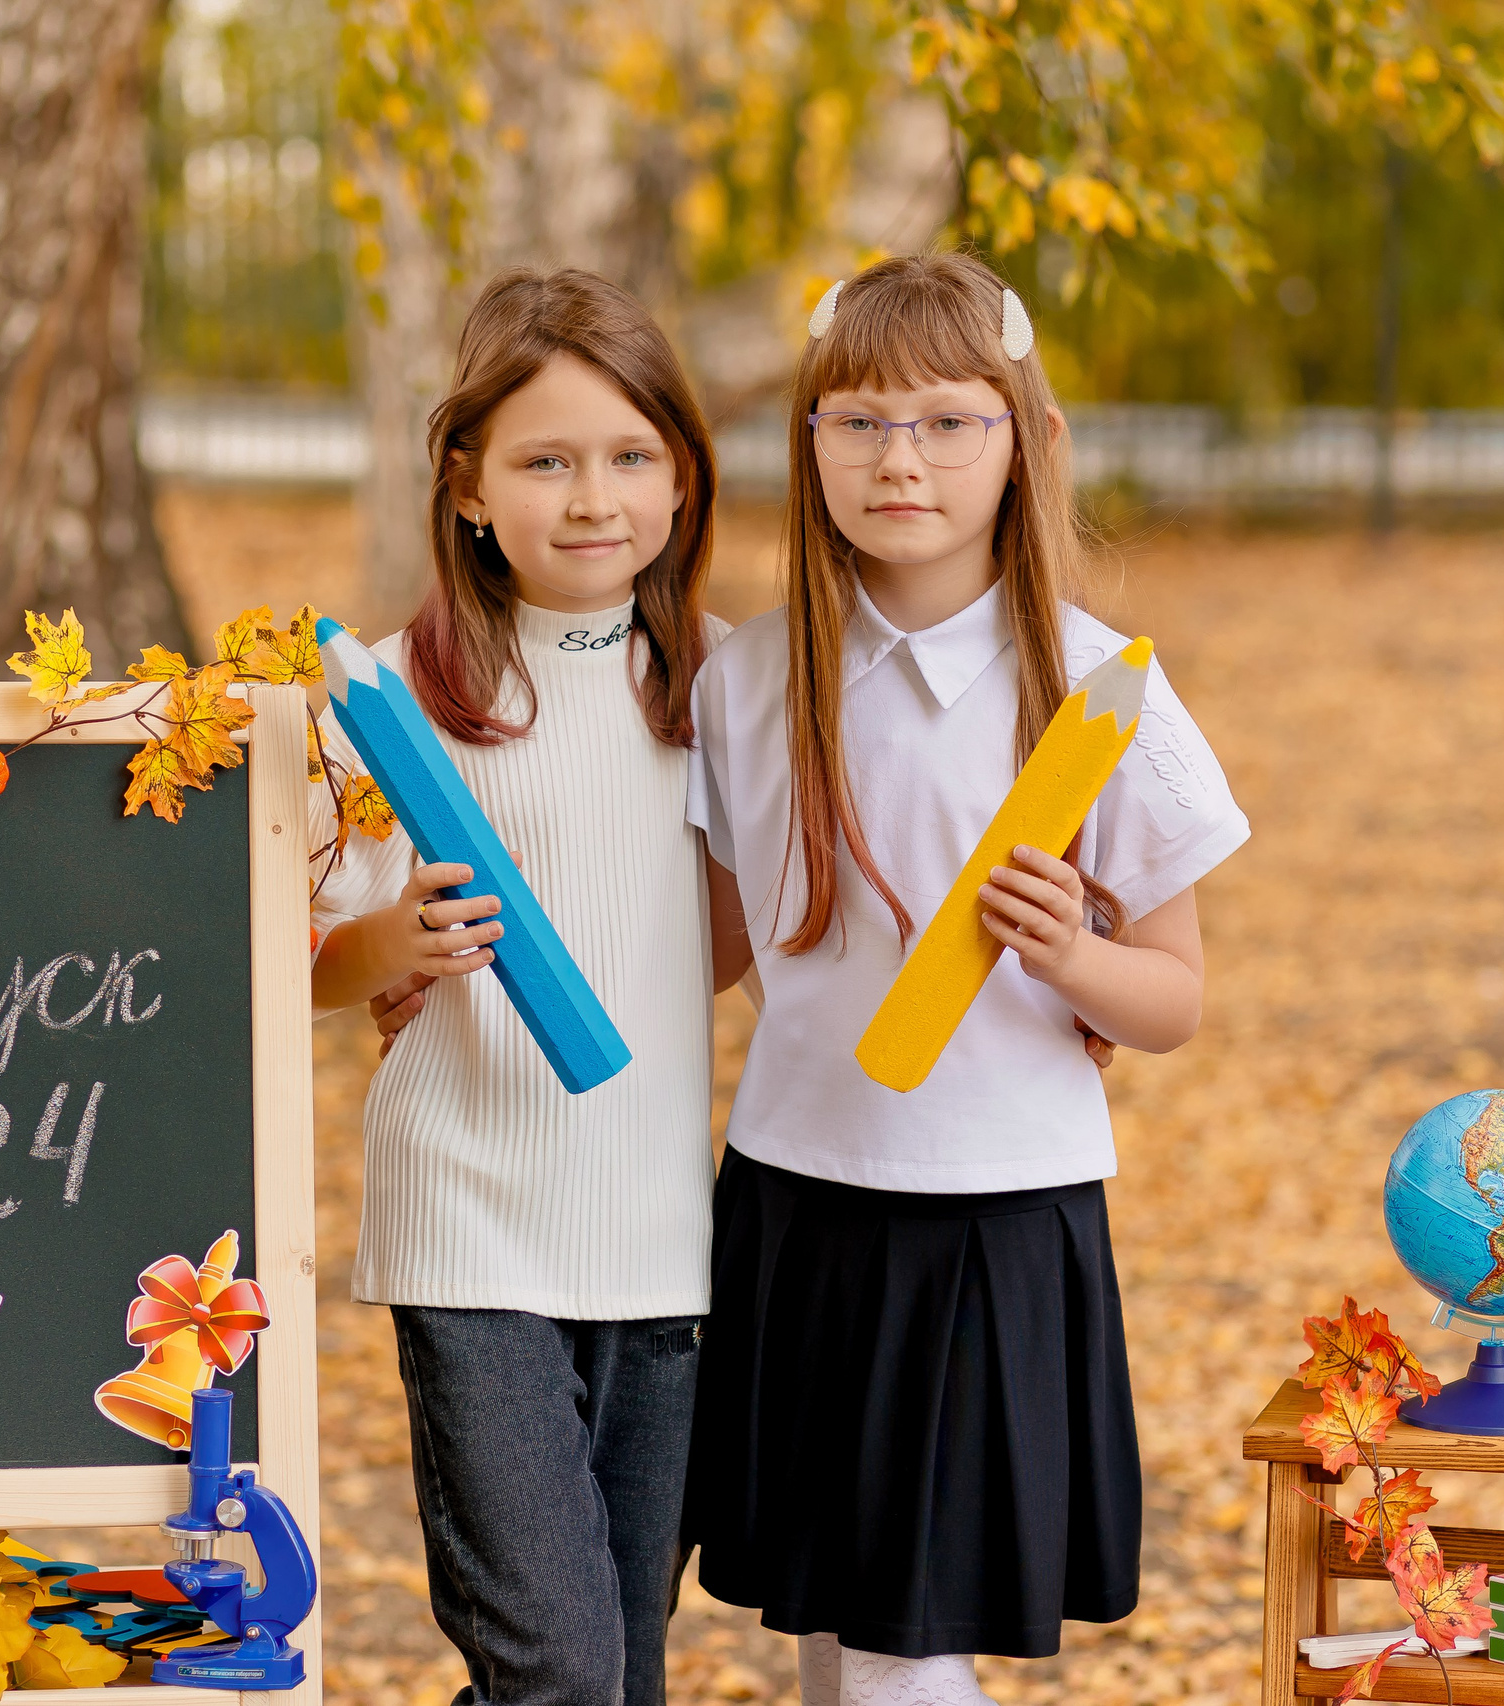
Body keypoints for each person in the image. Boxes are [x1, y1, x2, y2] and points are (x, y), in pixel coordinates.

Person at [683, 253, 1251, 1704]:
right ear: (807, 442)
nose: (901, 460)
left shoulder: (1099, 686)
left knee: (895, 1651)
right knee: (831, 1635)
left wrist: (1070, 951)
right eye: (859, 422)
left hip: (989, 1224)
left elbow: (1174, 1001)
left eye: (948, 421)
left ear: (1027, 441)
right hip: (793, 1202)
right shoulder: (743, 682)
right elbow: (719, 949)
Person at [306, 266, 728, 1706]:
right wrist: (392, 950)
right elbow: (317, 959)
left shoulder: (721, 689)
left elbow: (732, 932)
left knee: (626, 1663)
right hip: (475, 1220)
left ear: (681, 480)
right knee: (555, 1666)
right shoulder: (397, 697)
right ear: (471, 485)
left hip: (663, 1233)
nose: (592, 496)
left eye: (629, 457)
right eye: (547, 460)